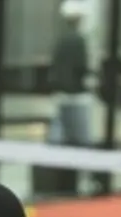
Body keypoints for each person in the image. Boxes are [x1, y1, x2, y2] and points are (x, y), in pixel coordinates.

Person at [48, 0, 94, 147]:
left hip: (61, 93)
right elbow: (82, 66)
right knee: (82, 136)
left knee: (59, 133)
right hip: (77, 95)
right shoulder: (80, 41)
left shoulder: (60, 41)